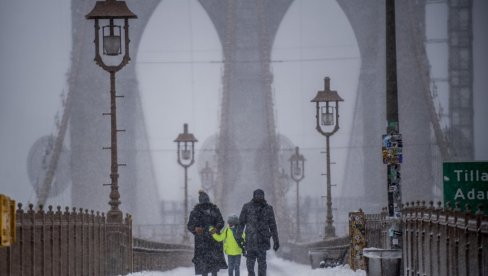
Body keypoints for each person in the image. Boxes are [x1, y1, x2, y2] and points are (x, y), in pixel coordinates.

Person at [236, 189, 279, 276]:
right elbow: (241, 223)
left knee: (262, 265)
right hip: (250, 240)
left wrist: (276, 240)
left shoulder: (268, 208)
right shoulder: (247, 207)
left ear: (263, 196)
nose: (259, 197)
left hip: (262, 241)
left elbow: (273, 226)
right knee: (250, 266)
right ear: (254, 196)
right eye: (257, 195)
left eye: (260, 195)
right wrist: (239, 237)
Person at [187, 190, 228, 276]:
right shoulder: (195, 212)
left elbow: (221, 222)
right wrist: (196, 229)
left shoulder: (214, 210)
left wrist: (216, 228)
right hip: (204, 242)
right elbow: (190, 226)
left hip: (212, 241)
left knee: (211, 266)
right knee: (205, 266)